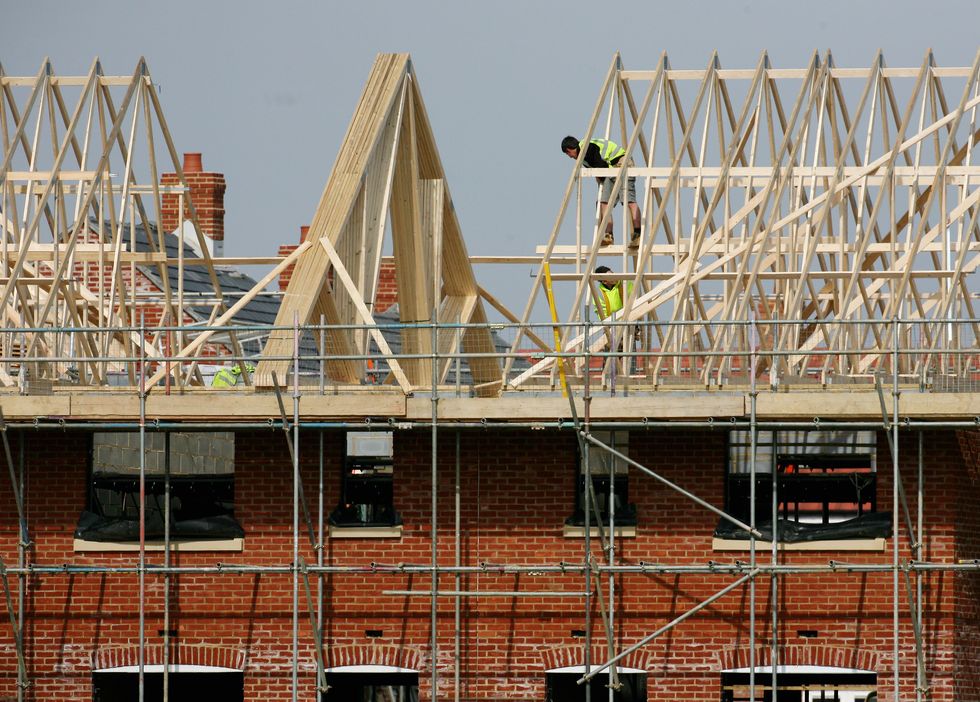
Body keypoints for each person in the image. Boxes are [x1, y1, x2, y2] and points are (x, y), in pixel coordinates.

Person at [561, 135, 641, 246]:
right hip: (609, 169)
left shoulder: (587, 148)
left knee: (629, 200)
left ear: (569, 150)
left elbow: (600, 166)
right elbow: (599, 170)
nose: (570, 157)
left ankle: (637, 234)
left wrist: (599, 178)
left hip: (621, 162)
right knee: (603, 203)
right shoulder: (583, 157)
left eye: (568, 154)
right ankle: (609, 236)